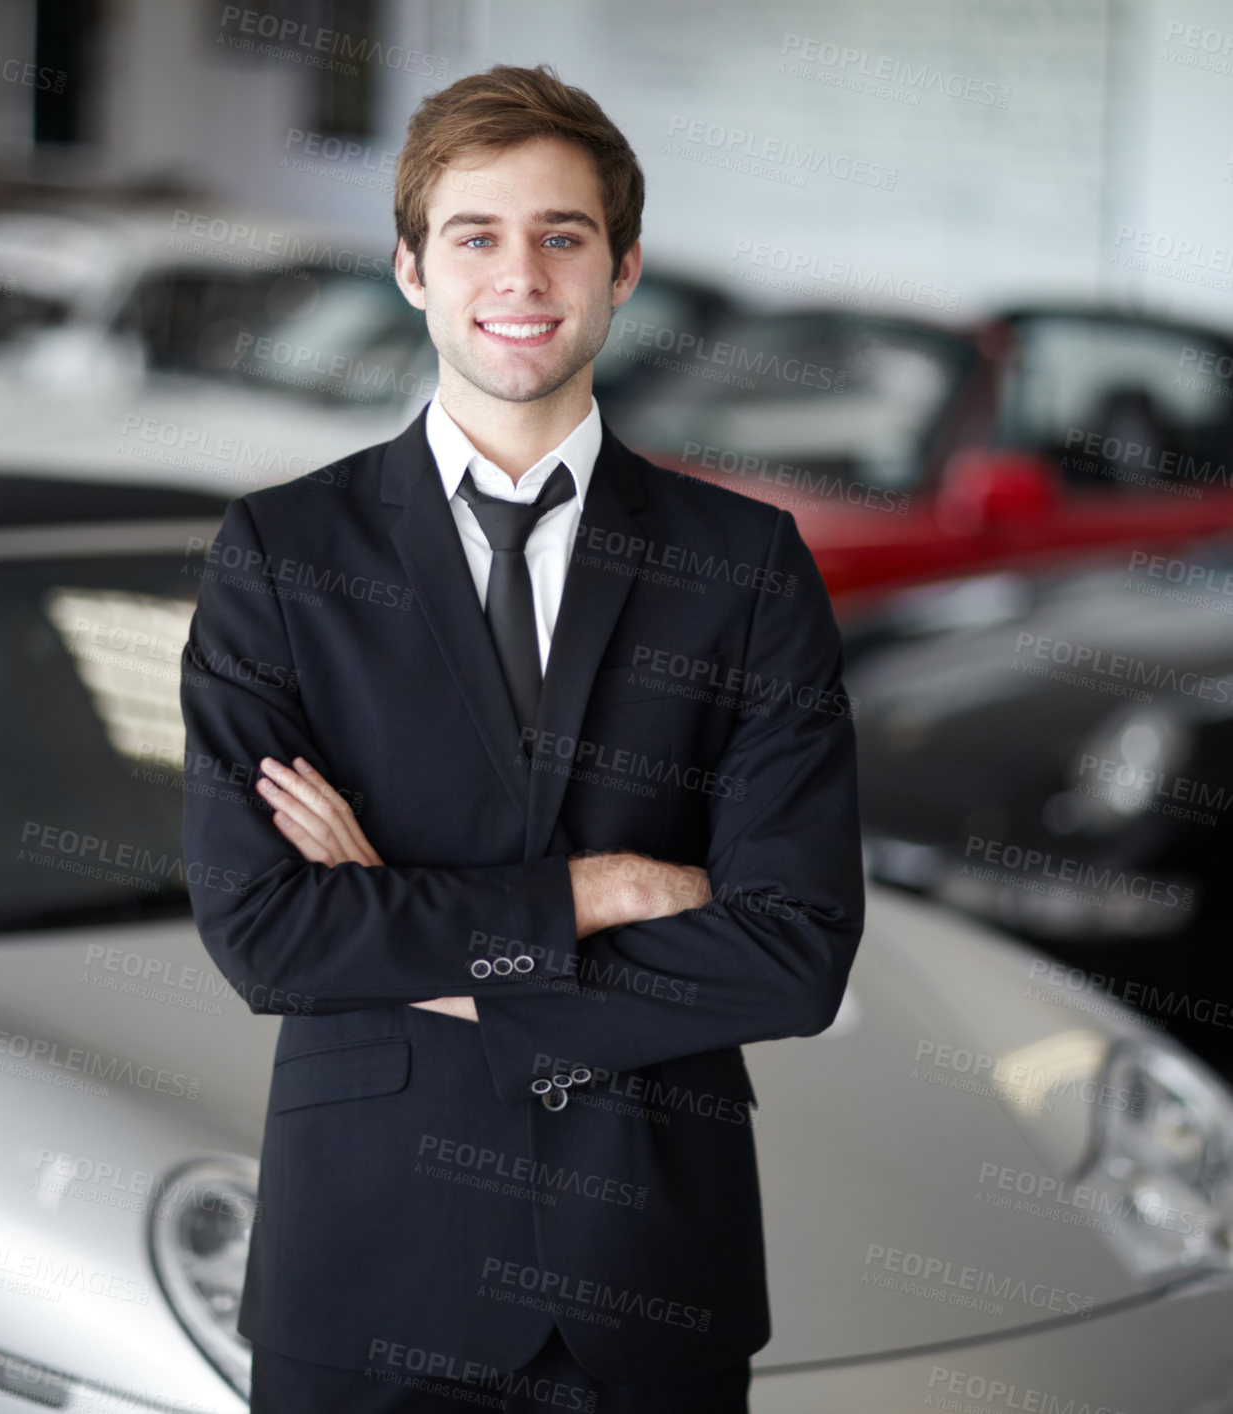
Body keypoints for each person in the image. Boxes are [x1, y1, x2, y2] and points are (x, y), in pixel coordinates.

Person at [180, 61, 864, 1414]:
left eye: (563, 235)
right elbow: (263, 928)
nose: (522, 274)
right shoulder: (282, 554)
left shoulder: (747, 566)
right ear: (408, 268)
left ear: (623, 271)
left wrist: (400, 928)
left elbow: (792, 955)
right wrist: (590, 895)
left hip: (649, 1265)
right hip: (366, 1268)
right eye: (475, 234)